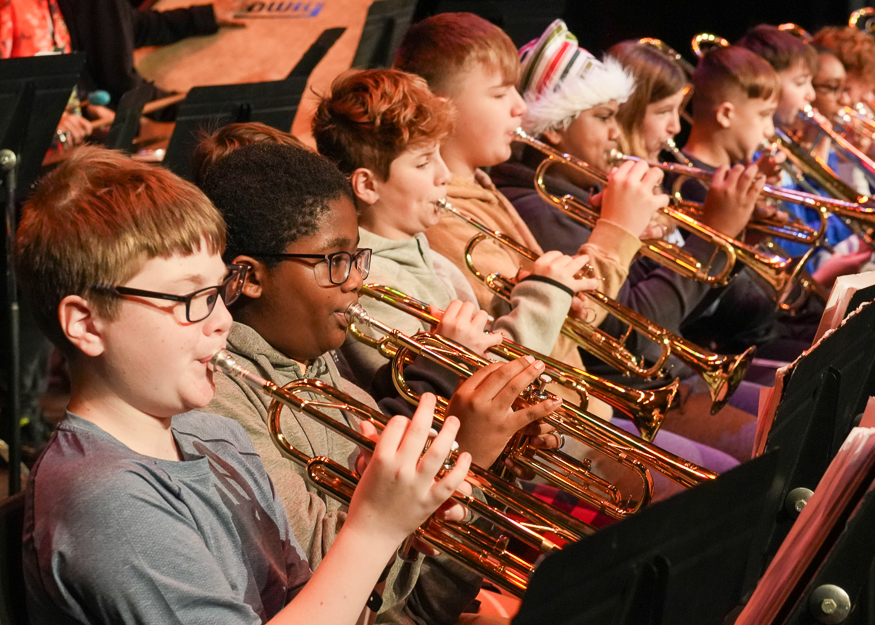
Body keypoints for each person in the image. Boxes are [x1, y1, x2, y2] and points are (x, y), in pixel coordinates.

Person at [17, 145, 470, 625]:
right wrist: (374, 528)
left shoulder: (217, 439)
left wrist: (402, 522)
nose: (219, 321)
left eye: (218, 292)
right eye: (191, 297)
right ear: (86, 325)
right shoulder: (105, 502)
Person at [199, 138, 559, 623]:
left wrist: (491, 466)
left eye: (357, 258)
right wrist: (463, 454)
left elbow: (428, 603)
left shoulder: (335, 384)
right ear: (252, 276)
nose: (355, 281)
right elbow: (331, 587)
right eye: (335, 262)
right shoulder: (217, 404)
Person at [488, 26, 758, 462]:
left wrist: (646, 242)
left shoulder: (576, 194)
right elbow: (639, 338)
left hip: (672, 379)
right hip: (627, 398)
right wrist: (716, 234)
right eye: (602, 117)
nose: (615, 133)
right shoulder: (539, 208)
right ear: (554, 129)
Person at [393, 13, 671, 423]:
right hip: (555, 429)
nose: (522, 107)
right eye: (501, 93)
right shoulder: (440, 215)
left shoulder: (481, 186)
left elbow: (571, 312)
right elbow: (539, 332)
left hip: (583, 411)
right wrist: (618, 231)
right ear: (441, 106)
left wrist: (625, 231)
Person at [312, 67, 598, 390]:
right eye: (423, 163)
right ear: (367, 184)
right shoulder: (366, 284)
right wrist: (544, 302)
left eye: (439, 155)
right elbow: (453, 390)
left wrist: (526, 298)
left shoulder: (433, 261)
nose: (444, 174)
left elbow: (485, 347)